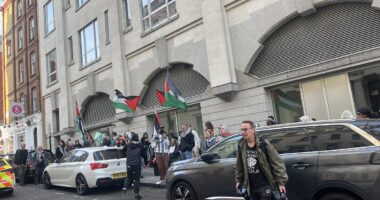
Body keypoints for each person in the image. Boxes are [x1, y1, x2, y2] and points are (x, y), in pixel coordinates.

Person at [235, 120, 288, 200]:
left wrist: (281, 182)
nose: (243, 132)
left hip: (265, 186)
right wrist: (239, 179)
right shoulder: (241, 144)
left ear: (253, 130)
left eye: (245, 129)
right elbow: (239, 164)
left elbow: (277, 162)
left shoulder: (263, 143)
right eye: (241, 130)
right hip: (251, 186)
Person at [122, 133, 144, 200]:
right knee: (137, 179)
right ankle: (136, 195)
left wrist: (127, 155)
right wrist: (145, 161)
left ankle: (124, 188)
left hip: (129, 164)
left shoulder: (128, 145)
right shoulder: (140, 145)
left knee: (128, 177)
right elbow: (144, 154)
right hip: (137, 164)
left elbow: (123, 151)